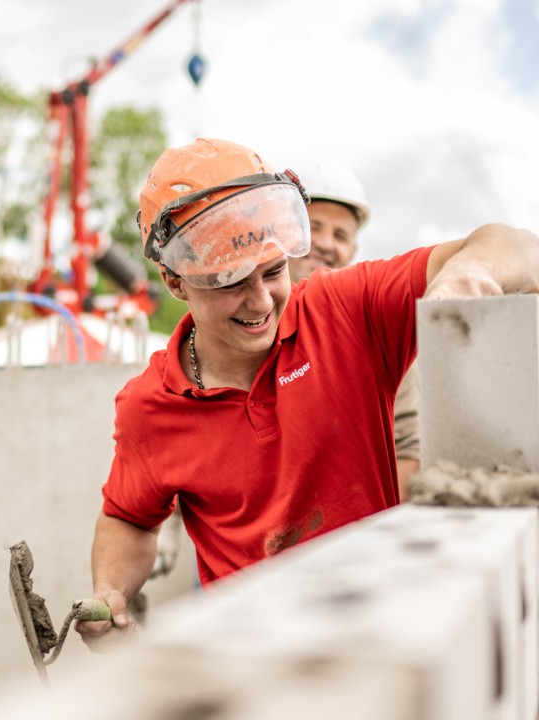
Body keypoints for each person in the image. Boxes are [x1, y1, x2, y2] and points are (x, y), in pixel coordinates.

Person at [75, 137, 539, 651]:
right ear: (175, 280)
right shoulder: (150, 407)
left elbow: (516, 245)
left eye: (273, 271)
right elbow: (129, 518)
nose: (260, 301)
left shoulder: (345, 311)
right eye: (230, 281)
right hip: (249, 659)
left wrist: (469, 271)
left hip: (384, 635)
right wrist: (111, 591)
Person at [286, 162, 420, 500]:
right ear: (286, 233)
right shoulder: (245, 326)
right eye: (313, 227)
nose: (326, 244)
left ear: (353, 252)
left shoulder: (380, 336)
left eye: (341, 235)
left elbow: (406, 448)